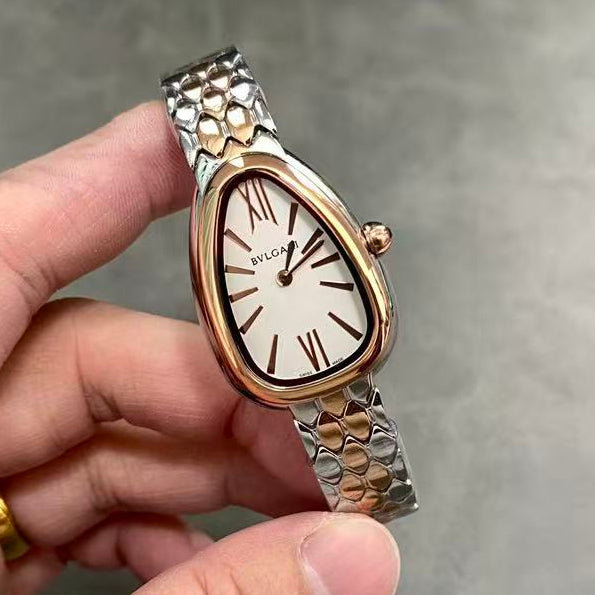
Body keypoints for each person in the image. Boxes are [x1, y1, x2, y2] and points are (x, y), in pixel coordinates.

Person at [0, 103, 400, 594]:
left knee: (366, 509)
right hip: (295, 372)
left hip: (328, 362)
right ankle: (373, 498)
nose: (284, 275)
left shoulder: (240, 196)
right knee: (362, 518)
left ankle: (375, 496)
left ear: (369, 242)